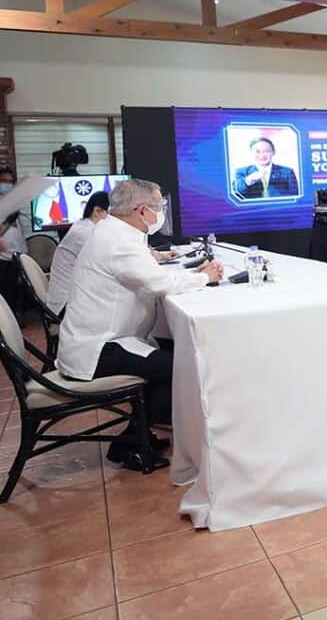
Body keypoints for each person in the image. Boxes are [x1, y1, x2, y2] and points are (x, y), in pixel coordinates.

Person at [56, 179, 224, 471]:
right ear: (141, 210)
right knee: (184, 365)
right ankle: (133, 442)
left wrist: (195, 275)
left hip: (98, 339)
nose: (160, 214)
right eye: (157, 207)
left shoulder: (114, 232)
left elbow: (147, 273)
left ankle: (137, 435)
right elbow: (159, 283)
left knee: (168, 356)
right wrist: (205, 277)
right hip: (99, 349)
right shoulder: (118, 241)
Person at [47, 191, 111, 315]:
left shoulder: (85, 226)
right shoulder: (85, 233)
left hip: (75, 296)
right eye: (111, 215)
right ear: (97, 211)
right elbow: (109, 265)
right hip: (67, 305)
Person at [233, 137, 299, 199]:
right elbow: (235, 192)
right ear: (251, 153)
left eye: (266, 151)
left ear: (273, 152)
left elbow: (295, 195)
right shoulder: (241, 171)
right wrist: (247, 181)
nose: (262, 155)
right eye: (257, 151)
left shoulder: (287, 172)